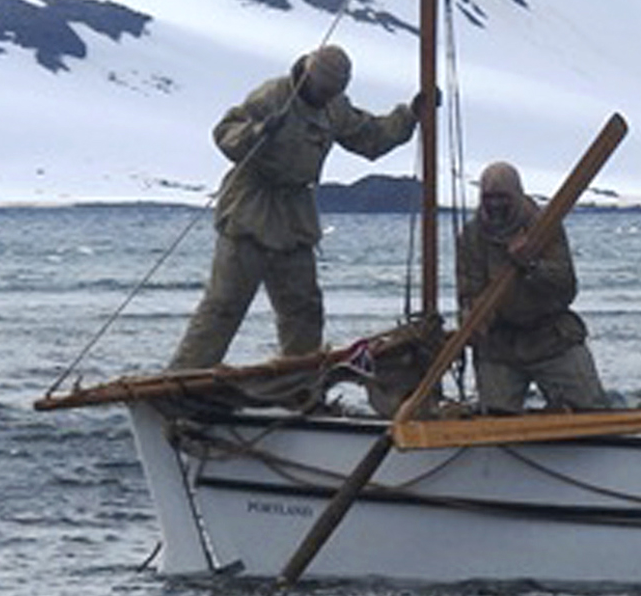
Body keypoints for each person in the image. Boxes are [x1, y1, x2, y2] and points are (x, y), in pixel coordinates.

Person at [170, 44, 420, 369]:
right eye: (323, 90)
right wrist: (257, 131)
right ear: (308, 77)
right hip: (252, 206)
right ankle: (184, 378)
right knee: (224, 305)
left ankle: (298, 385)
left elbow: (370, 137)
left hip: (295, 214)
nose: (326, 97)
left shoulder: (335, 108)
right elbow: (224, 133)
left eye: (333, 92)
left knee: (303, 309)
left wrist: (410, 115)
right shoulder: (273, 96)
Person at [455, 161, 604, 413]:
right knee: (494, 418)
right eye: (488, 198)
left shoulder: (545, 226)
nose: (495, 205)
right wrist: (472, 316)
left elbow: (566, 287)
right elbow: (468, 289)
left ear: (517, 194)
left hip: (550, 336)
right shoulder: (471, 236)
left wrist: (532, 265)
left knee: (591, 410)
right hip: (500, 344)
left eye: (502, 197)